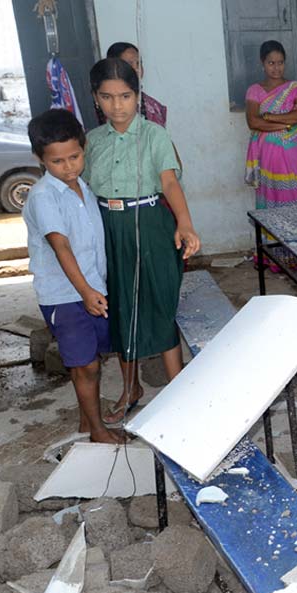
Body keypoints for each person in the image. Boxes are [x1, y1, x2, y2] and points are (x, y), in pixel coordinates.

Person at [84, 57, 200, 424]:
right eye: (107, 97)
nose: (117, 106)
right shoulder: (91, 141)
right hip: (107, 225)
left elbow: (168, 181)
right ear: (95, 99)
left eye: (125, 96)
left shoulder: (154, 135)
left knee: (159, 300)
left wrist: (184, 223)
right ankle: (130, 387)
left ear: (138, 96)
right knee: (120, 306)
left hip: (149, 222)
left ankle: (179, 386)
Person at [23, 109, 124, 444]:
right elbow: (60, 245)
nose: (68, 167)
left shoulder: (82, 186)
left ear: (84, 148)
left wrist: (96, 286)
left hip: (91, 287)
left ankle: (86, 420)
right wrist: (85, 291)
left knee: (91, 358)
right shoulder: (44, 196)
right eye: (58, 162)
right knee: (86, 365)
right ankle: (97, 431)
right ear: (40, 159)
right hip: (65, 295)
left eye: (75, 157)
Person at [245, 40, 297, 210]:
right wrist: (287, 124)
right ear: (262, 63)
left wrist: (270, 117)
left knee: (294, 193)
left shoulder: (293, 88)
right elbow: (253, 121)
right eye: (271, 63)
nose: (276, 68)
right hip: (268, 154)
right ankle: (272, 234)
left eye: (280, 63)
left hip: (292, 150)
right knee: (272, 195)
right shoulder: (255, 90)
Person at [94, 42, 167, 127]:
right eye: (129, 64)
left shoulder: (153, 106)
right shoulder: (99, 107)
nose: (137, 69)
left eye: (138, 63)